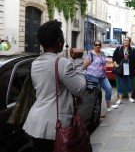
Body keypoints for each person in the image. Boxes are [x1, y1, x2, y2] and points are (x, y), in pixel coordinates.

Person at [23, 20, 87, 152]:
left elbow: (50, 87)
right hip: (54, 127)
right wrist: (78, 61)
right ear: (59, 41)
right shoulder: (62, 63)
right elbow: (80, 89)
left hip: (36, 123)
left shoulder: (35, 63)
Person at [84, 40, 118, 112]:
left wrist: (114, 61)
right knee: (96, 93)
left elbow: (105, 61)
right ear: (94, 46)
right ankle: (95, 110)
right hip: (92, 76)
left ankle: (109, 106)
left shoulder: (102, 54)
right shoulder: (90, 54)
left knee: (109, 88)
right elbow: (84, 66)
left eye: (99, 45)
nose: (98, 46)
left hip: (102, 76)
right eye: (96, 45)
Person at [113, 37, 135, 104]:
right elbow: (114, 57)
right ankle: (120, 99)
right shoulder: (119, 49)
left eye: (127, 41)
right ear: (123, 41)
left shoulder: (133, 50)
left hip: (130, 70)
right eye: (125, 40)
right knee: (121, 84)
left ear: (130, 42)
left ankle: (130, 98)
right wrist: (115, 64)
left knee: (129, 84)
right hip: (121, 70)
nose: (126, 42)